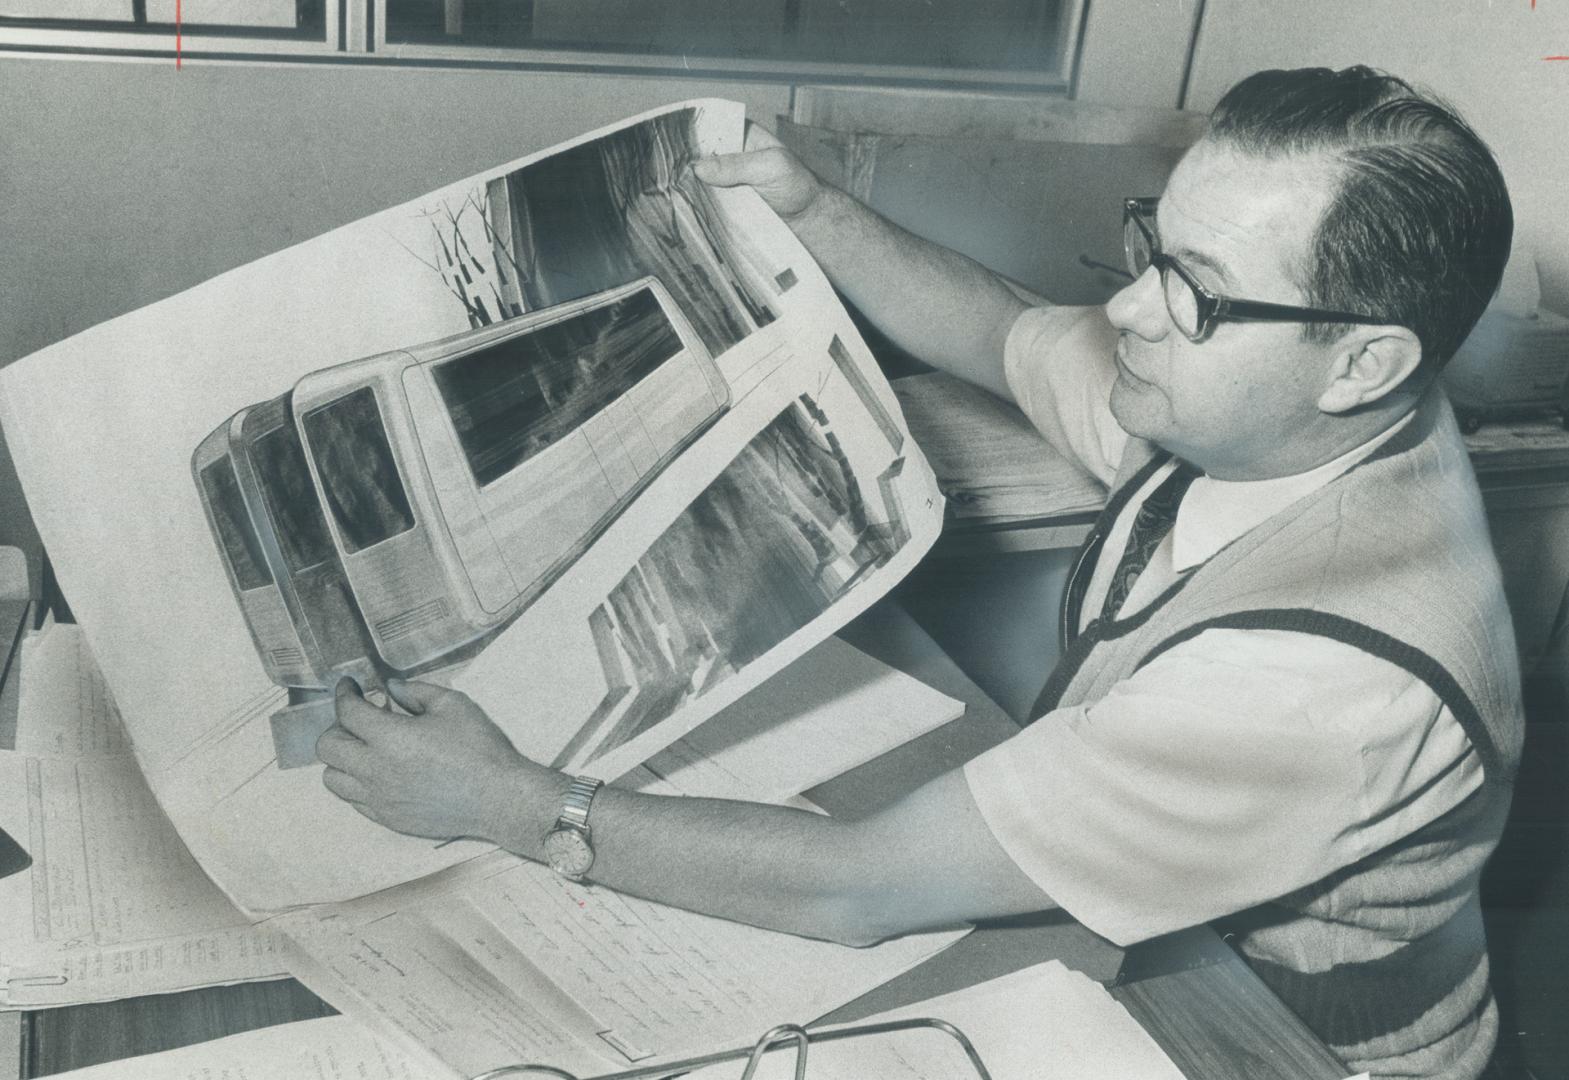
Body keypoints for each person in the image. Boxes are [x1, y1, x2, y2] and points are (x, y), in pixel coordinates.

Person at [317, 67, 1523, 1080]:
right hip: (1163, 939)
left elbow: (856, 887)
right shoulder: (1264, 414)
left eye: (1197, 290)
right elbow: (1006, 334)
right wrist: (818, 212)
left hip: (1278, 1045)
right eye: (1153, 242)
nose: (1137, 311)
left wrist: (505, 800)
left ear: (1363, 363)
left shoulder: (1314, 685)